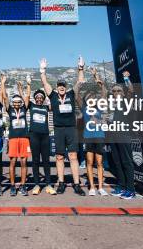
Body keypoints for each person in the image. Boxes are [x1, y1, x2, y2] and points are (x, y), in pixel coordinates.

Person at [40, 56, 86, 196]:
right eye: (59, 85)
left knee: (73, 156)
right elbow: (45, 83)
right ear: (56, 87)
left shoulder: (71, 94)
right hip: (58, 129)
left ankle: (77, 184)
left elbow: (79, 82)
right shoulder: (53, 96)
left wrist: (80, 68)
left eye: (63, 85)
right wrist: (42, 70)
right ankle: (61, 183)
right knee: (59, 157)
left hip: (71, 129)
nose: (61, 87)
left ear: (66, 87)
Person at [18, 75, 55, 195]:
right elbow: (26, 98)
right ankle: (37, 185)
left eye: (41, 97)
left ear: (44, 99)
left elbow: (55, 102)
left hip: (45, 136)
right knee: (35, 160)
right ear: (35, 98)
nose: (39, 98)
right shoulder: (31, 106)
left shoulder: (46, 107)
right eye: (37, 97)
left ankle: (49, 184)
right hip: (33, 136)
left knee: (46, 161)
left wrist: (47, 86)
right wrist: (26, 86)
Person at [76, 67, 108, 196]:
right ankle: (92, 187)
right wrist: (80, 80)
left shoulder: (100, 106)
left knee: (99, 163)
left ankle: (100, 187)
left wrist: (96, 78)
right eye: (89, 96)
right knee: (89, 162)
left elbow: (104, 92)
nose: (91, 98)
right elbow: (76, 92)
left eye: (93, 96)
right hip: (88, 136)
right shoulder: (84, 107)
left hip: (99, 136)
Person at [107, 72, 137, 199]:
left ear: (122, 93)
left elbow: (131, 90)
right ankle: (122, 186)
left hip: (124, 135)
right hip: (113, 136)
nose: (116, 93)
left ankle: (131, 189)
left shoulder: (126, 100)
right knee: (117, 162)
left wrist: (126, 78)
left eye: (119, 90)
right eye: (114, 91)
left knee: (126, 161)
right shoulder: (111, 104)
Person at [1, 74, 30, 196]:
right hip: (13, 139)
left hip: (24, 138)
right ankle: (12, 186)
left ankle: (23, 186)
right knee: (12, 162)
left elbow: (27, 97)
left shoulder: (24, 109)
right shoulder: (9, 109)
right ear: (13, 104)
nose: (17, 104)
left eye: (19, 102)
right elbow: (5, 96)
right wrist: (3, 83)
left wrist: (27, 85)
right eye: (15, 103)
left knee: (24, 162)